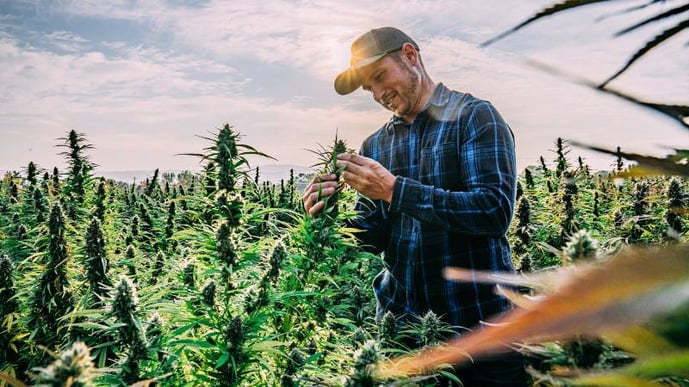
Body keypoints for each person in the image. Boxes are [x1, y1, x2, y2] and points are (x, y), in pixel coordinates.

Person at [302, 26, 528, 386]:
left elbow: (493, 212)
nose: (377, 94)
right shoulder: (375, 145)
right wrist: (326, 215)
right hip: (403, 333)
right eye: (368, 88)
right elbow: (371, 236)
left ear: (410, 56)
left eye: (380, 77)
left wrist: (394, 190)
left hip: (480, 331)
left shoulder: (475, 117)